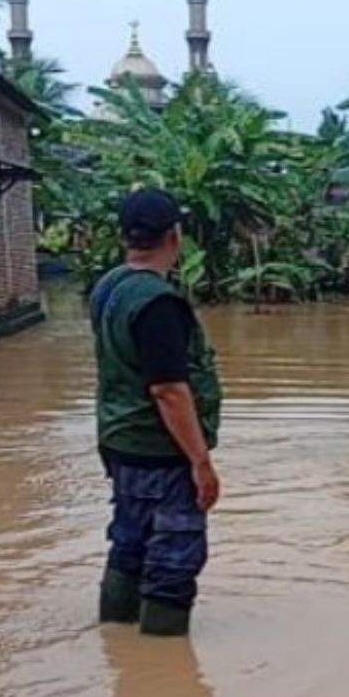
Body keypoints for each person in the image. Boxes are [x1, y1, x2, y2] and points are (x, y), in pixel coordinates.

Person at [89, 188, 222, 637]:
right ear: (174, 236)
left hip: (120, 443)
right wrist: (200, 461)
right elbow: (168, 390)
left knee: (129, 541)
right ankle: (164, 669)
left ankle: (118, 646)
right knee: (174, 556)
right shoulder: (158, 303)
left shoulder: (109, 286)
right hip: (160, 451)